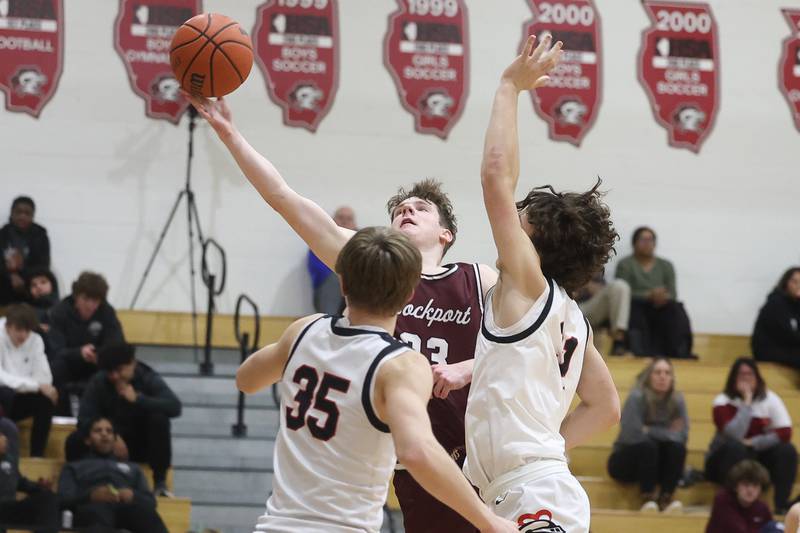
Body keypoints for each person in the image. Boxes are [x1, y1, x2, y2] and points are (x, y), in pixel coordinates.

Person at [186, 90, 498, 533]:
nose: (406, 210)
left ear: (446, 233)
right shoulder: (370, 260)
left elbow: (527, 347)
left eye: (420, 209)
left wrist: (467, 366)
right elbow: (284, 198)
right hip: (390, 442)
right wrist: (233, 136)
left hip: (467, 450)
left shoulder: (479, 278)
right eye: (398, 210)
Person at [236, 227, 517, 533]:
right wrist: (488, 520)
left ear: (341, 281)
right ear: (410, 293)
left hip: (275, 526)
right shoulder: (401, 365)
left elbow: (246, 380)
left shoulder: (304, 330)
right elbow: (416, 451)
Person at [462, 36, 620, 533]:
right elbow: (605, 406)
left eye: (519, 221)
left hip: (534, 495)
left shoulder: (528, 290)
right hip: (523, 491)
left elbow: (494, 177)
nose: (507, 223)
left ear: (535, 245)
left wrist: (509, 87)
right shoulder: (569, 317)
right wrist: (548, 447)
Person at [66, 342, 181, 496]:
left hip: (140, 444)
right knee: (75, 440)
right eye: (109, 372)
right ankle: (79, 481)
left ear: (132, 364)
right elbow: (84, 418)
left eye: (119, 370)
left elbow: (174, 406)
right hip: (107, 442)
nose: (114, 376)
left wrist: (139, 399)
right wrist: (112, 436)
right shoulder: (99, 382)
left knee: (159, 419)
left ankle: (160, 483)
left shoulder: (147, 377)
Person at [705, 358, 797, 514]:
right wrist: (747, 403)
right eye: (741, 374)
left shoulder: (770, 399)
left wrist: (754, 442)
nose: (746, 378)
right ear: (733, 378)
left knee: (787, 450)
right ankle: (730, 504)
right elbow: (735, 434)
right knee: (736, 447)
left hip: (756, 456)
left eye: (750, 374)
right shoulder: (721, 402)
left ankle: (781, 505)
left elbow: (785, 432)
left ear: (757, 377)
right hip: (722, 461)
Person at [58, 416, 169, 533]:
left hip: (127, 507)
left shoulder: (133, 468)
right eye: (98, 431)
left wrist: (133, 495)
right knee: (97, 517)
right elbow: (63, 500)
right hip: (93, 508)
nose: (104, 434)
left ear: (115, 439)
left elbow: (151, 502)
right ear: (87, 439)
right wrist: (90, 496)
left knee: (148, 515)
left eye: (109, 431)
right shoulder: (74, 467)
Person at [607, 357, 689, 513]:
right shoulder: (637, 397)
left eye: (667, 373)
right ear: (649, 376)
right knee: (648, 447)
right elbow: (631, 435)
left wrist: (649, 430)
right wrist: (667, 433)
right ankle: (647, 499)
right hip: (626, 461)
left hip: (656, 463)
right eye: (657, 372)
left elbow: (682, 436)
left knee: (677, 449)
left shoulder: (678, 400)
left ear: (672, 378)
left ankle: (666, 498)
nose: (662, 376)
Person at [48, 271, 125, 414]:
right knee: (56, 367)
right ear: (76, 296)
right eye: (86, 299)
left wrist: (100, 355)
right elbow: (55, 349)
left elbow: (116, 344)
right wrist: (79, 353)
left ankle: (106, 417)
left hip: (96, 364)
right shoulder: (60, 312)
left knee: (116, 369)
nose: (90, 305)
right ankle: (60, 415)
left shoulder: (107, 312)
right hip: (68, 364)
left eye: (95, 301)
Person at [615, 226, 694, 358]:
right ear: (634, 243)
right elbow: (622, 293)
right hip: (637, 305)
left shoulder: (666, 265)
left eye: (650, 240)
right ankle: (639, 352)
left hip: (661, 305)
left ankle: (680, 352)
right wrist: (649, 295)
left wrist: (662, 296)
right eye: (643, 239)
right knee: (635, 310)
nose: (647, 243)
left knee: (677, 309)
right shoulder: (625, 264)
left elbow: (673, 294)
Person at [0, 304, 57, 457]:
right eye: (19, 330)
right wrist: (35, 385)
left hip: (20, 396)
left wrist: (37, 386)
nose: (24, 335)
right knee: (5, 392)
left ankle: (37, 456)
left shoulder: (36, 340)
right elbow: (1, 377)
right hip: (4, 397)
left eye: (27, 330)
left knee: (46, 399)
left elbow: (45, 378)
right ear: (8, 326)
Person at [0, 416, 59, 533]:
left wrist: (38, 486)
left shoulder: (7, 429)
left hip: (5, 507)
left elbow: (12, 476)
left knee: (47, 499)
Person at [0, 196, 51, 306]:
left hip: (30, 285)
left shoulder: (40, 236)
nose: (22, 216)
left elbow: (44, 266)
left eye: (27, 213)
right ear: (12, 214)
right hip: (4, 285)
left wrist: (24, 278)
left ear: (32, 216)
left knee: (43, 284)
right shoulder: (2, 235)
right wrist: (11, 276)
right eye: (18, 212)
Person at [307, 206, 357, 314]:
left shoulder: (363, 240)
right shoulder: (320, 238)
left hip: (354, 282)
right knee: (335, 278)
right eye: (341, 217)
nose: (344, 221)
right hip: (331, 282)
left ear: (354, 224)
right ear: (333, 220)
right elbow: (318, 267)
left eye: (349, 219)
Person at [706, 459, 773, 533]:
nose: (750, 490)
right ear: (735, 486)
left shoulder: (762, 508)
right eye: (745, 485)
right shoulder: (723, 501)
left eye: (755, 485)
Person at [752, 267, 800, 368]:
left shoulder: (796, 304)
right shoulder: (776, 303)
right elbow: (788, 334)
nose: (798, 286)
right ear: (786, 283)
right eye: (795, 282)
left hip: (788, 349)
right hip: (769, 351)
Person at [574, 270, 630, 355]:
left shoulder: (595, 260)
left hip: (592, 305)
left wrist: (599, 288)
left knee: (620, 286)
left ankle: (618, 342)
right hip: (572, 306)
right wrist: (585, 286)